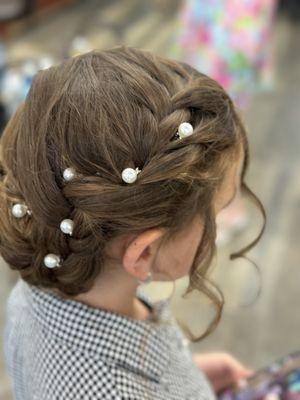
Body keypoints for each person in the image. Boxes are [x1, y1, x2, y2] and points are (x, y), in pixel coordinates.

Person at [0, 46, 264, 400]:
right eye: (215, 217)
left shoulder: (40, 286)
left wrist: (187, 379)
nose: (216, 233)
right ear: (143, 254)